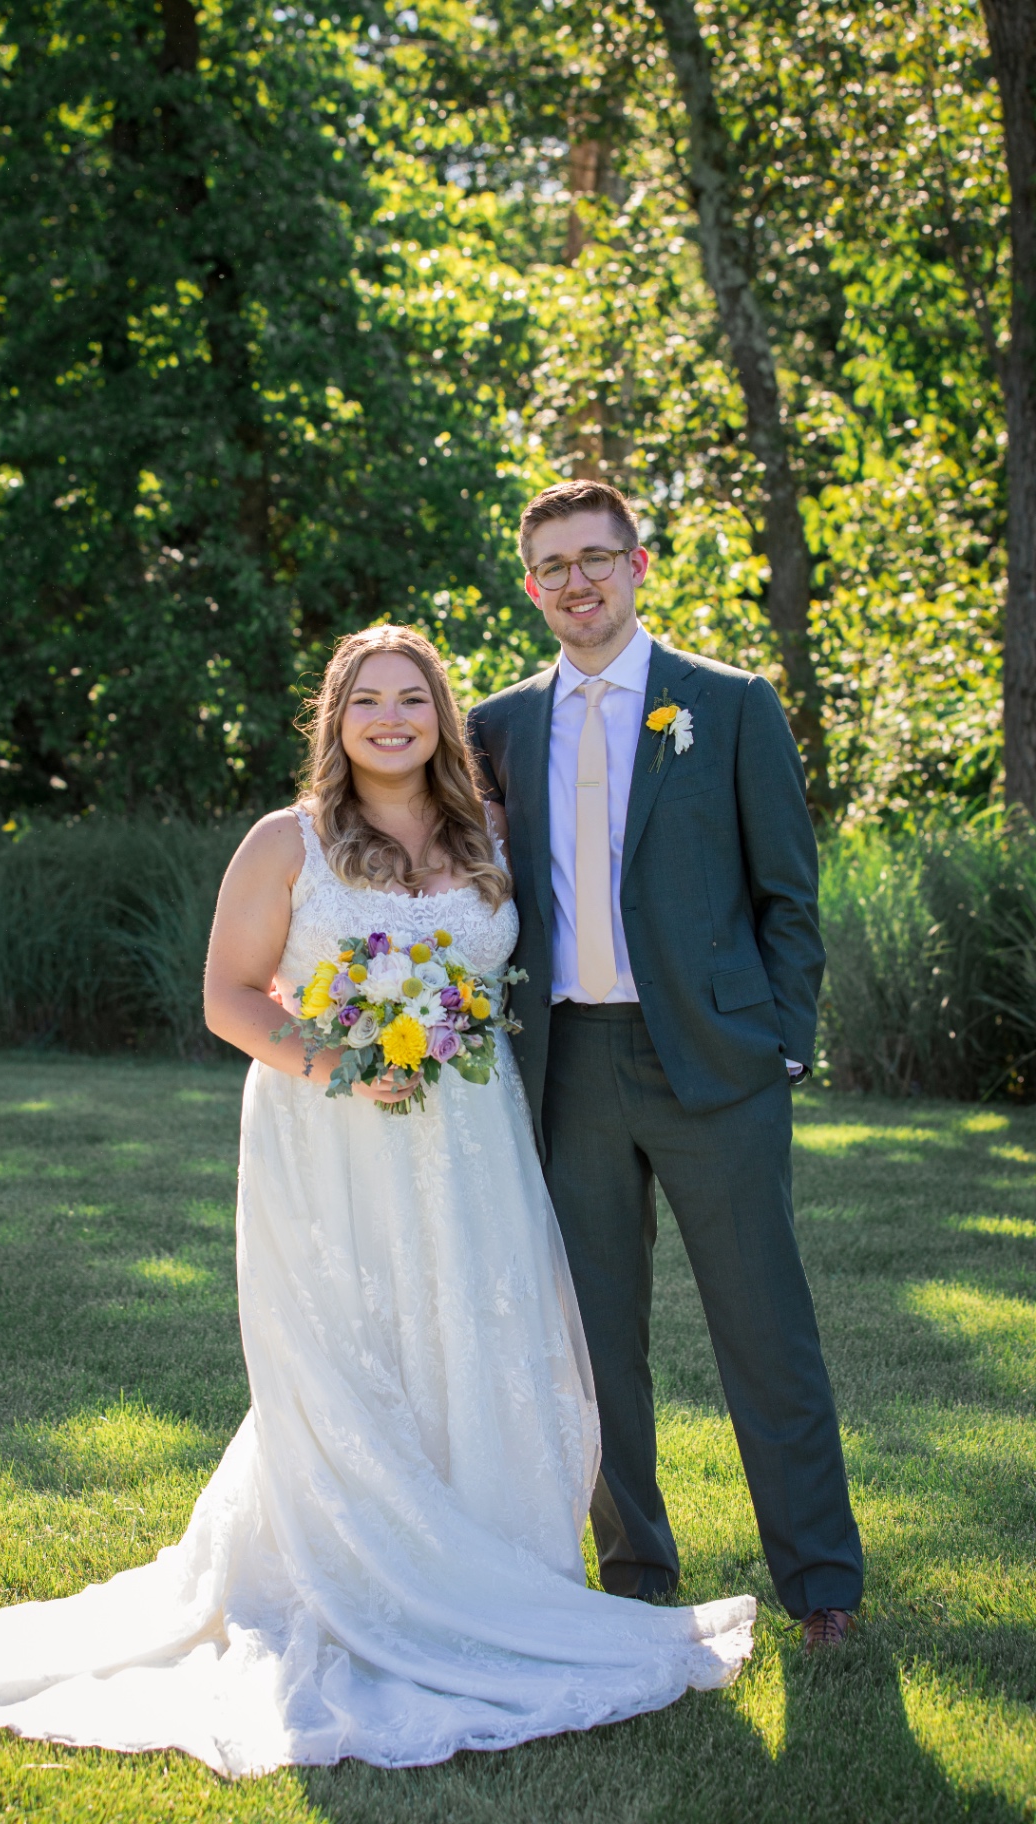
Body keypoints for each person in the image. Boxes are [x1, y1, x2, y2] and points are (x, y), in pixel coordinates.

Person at [0, 624, 754, 1779]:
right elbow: (229, 997)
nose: (391, 718)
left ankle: (497, 1566)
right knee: (348, 1348)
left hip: (471, 1140)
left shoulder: (488, 836)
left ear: (442, 719)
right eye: (366, 700)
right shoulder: (286, 843)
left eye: (414, 700)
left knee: (478, 1339)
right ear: (334, 721)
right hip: (327, 1131)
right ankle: (361, 1567)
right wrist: (338, 1062)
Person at [467, 479, 863, 1653]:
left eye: (597, 558)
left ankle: (822, 1585)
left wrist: (782, 1043)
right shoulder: (496, 726)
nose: (577, 582)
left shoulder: (727, 706)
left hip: (717, 1062)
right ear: (531, 586)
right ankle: (636, 1577)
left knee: (765, 1329)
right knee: (591, 1344)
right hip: (568, 1066)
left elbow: (787, 896)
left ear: (640, 566)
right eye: (553, 566)